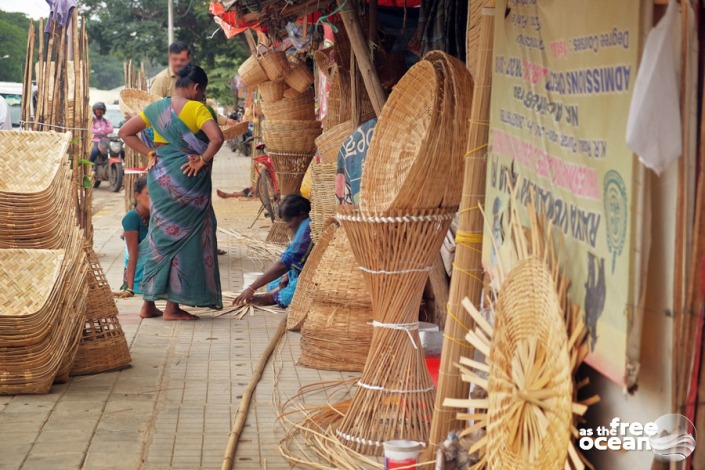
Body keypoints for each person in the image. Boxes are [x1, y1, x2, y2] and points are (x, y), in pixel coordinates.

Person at [119, 63, 225, 321]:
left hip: (161, 178)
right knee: (186, 240)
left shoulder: (155, 109)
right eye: (203, 92)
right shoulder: (197, 108)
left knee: (161, 236)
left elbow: (125, 132)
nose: (202, 96)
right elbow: (217, 138)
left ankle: (147, 304)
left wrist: (150, 153)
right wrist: (201, 159)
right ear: (197, 87)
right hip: (187, 179)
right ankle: (173, 308)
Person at [233, 195, 313, 308]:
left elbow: (283, 265)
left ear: (302, 214)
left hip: (312, 276)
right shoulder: (305, 224)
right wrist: (287, 274)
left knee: (288, 295)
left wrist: (252, 288)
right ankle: (274, 292)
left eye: (289, 220)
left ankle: (272, 297)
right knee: (273, 284)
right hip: (300, 271)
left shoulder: (308, 228)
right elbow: (292, 262)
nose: (288, 225)